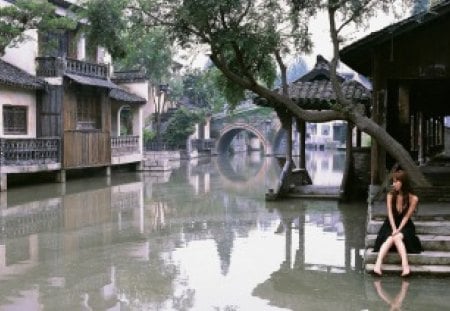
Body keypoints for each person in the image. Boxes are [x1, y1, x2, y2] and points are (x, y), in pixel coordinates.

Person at [373, 169, 422, 277]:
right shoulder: (390, 195)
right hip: (390, 223)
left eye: (396, 182)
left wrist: (398, 230)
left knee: (397, 237)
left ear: (403, 182)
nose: (393, 184)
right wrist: (394, 229)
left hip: (405, 225)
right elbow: (390, 214)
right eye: (393, 182)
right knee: (391, 237)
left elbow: (406, 217)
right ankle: (377, 265)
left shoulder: (413, 198)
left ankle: (405, 267)